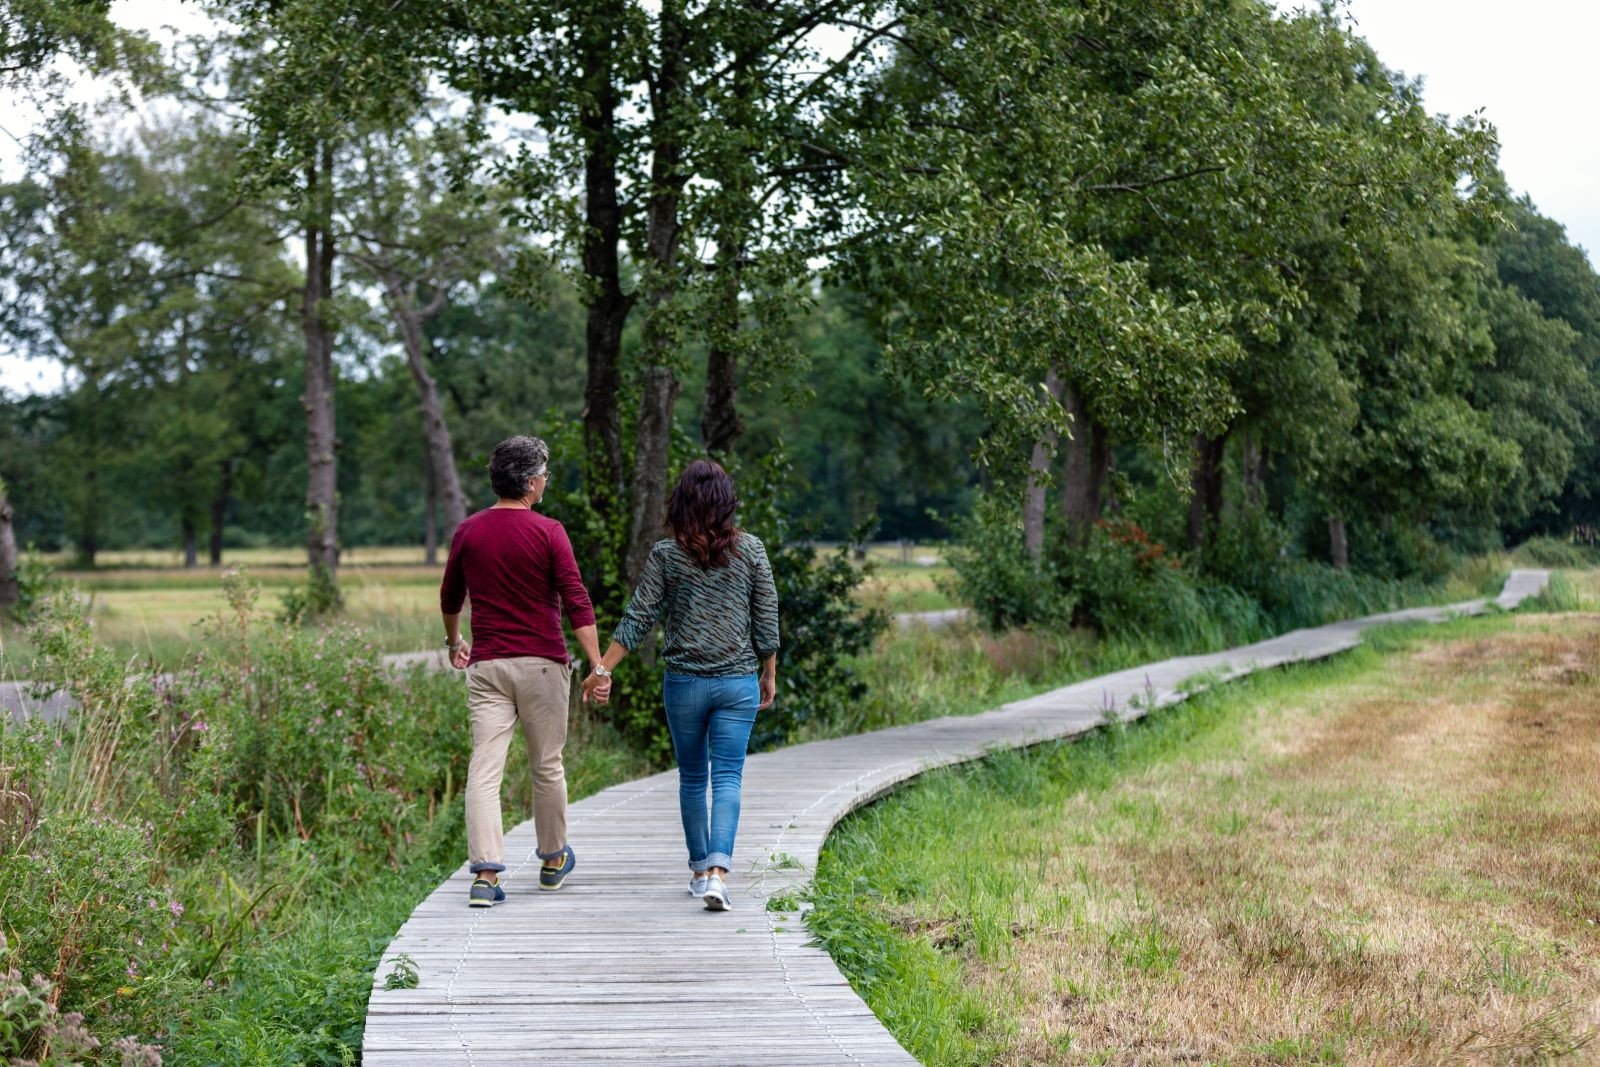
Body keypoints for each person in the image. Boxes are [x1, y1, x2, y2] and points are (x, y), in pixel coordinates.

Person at [583, 459, 779, 911]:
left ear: (681, 503)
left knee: (693, 777)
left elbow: (639, 618)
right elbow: (766, 623)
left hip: (685, 685)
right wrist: (768, 673)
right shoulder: (752, 551)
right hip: (737, 683)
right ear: (727, 503)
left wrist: (603, 668)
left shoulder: (666, 554)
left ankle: (697, 871)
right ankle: (718, 873)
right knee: (728, 777)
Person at [441, 435, 602, 907]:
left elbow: (451, 598)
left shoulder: (469, 531)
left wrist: (455, 642)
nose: (545, 481)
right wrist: (597, 664)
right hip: (543, 667)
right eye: (545, 474)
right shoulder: (549, 531)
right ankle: (552, 861)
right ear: (531, 483)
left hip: (488, 665)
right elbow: (576, 600)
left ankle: (485, 876)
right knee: (546, 765)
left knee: (484, 769)